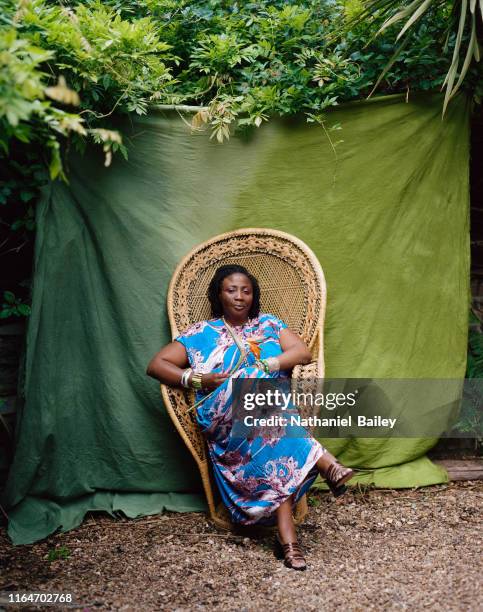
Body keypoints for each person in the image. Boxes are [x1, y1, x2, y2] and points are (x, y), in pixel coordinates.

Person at [147, 264, 354, 570]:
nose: (240, 297)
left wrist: (268, 365)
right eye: (231, 290)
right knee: (254, 391)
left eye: (246, 290)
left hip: (270, 415)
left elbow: (302, 352)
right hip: (224, 416)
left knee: (269, 426)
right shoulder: (201, 333)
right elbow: (157, 364)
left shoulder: (269, 324)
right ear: (219, 294)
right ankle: (324, 462)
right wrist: (197, 380)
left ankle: (288, 539)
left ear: (253, 295)